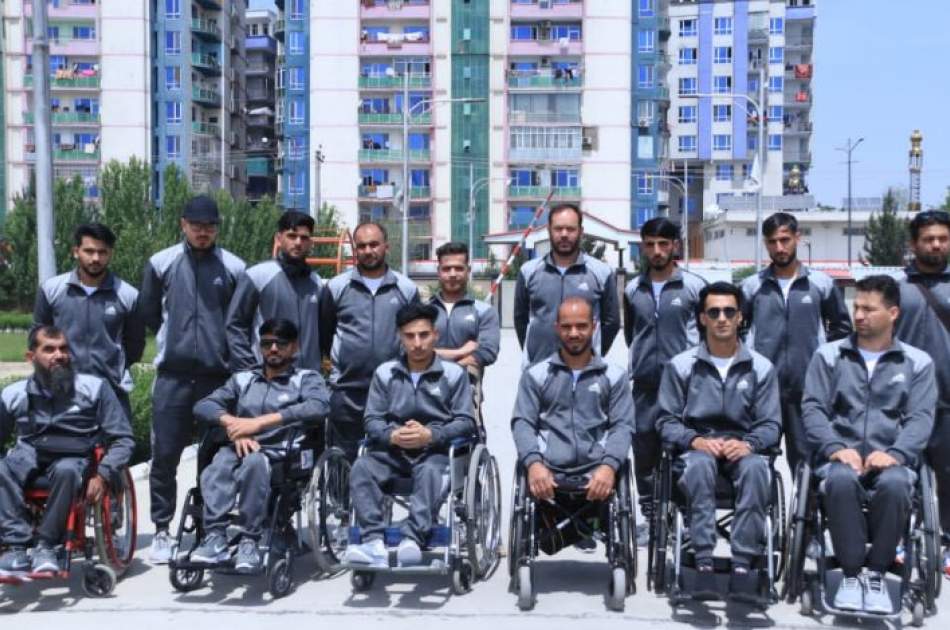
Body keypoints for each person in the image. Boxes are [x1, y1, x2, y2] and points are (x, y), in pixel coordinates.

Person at [802, 275, 935, 614]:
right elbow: (813, 407)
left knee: (896, 484)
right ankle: (849, 575)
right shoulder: (829, 355)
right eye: (856, 307)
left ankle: (875, 574)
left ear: (893, 313)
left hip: (892, 461)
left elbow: (921, 417)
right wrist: (834, 446)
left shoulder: (917, 362)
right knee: (840, 479)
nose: (858, 315)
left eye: (868, 309)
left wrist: (896, 454)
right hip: (838, 458)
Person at [656, 282, 781, 601]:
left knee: (756, 471)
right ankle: (704, 562)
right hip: (698, 451)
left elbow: (771, 424)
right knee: (699, 468)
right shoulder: (681, 366)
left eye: (729, 311)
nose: (722, 318)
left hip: (744, 450)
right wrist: (694, 440)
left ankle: (742, 565)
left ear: (741, 317)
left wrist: (750, 444)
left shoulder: (761, 368)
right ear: (702, 319)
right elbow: (666, 421)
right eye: (714, 312)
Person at [140, 195, 246, 564]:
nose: (203, 232)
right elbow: (149, 313)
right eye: (197, 225)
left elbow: (240, 321)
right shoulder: (161, 263)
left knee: (214, 458)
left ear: (218, 227)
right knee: (164, 456)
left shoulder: (233, 267)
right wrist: (176, 343)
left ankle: (208, 528)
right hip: (172, 377)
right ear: (183, 224)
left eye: (210, 226)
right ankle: (163, 530)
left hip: (217, 379)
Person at [190, 319, 330, 572]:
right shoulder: (243, 379)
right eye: (267, 344)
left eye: (281, 344)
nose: (273, 349)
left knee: (255, 463)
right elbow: (204, 405)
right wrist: (235, 425)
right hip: (239, 446)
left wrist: (260, 423)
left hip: (280, 452)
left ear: (294, 347)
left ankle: (250, 540)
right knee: (217, 467)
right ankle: (215, 537)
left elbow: (318, 407)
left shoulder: (306, 379)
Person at [344, 303, 476, 567]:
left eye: (423, 335)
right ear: (400, 337)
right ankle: (372, 541)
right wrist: (392, 435)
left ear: (435, 335)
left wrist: (431, 434)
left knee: (429, 472)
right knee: (361, 466)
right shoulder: (385, 373)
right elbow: (371, 419)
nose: (417, 343)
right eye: (410, 336)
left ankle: (413, 538)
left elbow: (465, 421)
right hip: (394, 452)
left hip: (436, 453)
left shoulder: (453, 374)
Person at [0, 326, 133, 573]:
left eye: (63, 349)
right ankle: (16, 546)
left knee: (66, 470)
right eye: (49, 349)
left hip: (74, 457)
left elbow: (123, 439)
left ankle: (46, 545)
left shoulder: (94, 388)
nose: (59, 355)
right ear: (31, 357)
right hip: (29, 454)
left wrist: (103, 474)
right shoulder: (14, 394)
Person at [740, 212, 851, 477]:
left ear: (797, 238)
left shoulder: (820, 284)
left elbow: (842, 328)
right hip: (763, 391)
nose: (779, 248)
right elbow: (737, 330)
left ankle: (806, 517)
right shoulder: (752, 286)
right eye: (772, 242)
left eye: (785, 240)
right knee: (755, 461)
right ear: (765, 244)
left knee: (805, 462)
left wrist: (824, 366)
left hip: (807, 390)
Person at [511, 297, 634, 521]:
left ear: (594, 326)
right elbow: (522, 423)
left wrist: (609, 467)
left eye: (581, 326)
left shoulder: (614, 376)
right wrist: (534, 464)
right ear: (556, 328)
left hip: (597, 469)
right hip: (548, 468)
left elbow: (622, 426)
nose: (574, 333)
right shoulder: (536, 375)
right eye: (566, 326)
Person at [623, 217, 706, 544]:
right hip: (644, 385)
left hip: (684, 386)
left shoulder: (694, 287)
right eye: (650, 244)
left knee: (680, 451)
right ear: (643, 246)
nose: (656, 251)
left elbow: (705, 335)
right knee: (643, 449)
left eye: (663, 244)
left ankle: (682, 518)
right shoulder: (632, 288)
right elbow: (632, 334)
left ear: (675, 246)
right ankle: (651, 517)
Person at [319, 222, 419, 457]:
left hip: (392, 389)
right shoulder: (336, 287)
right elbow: (324, 334)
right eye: (361, 246)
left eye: (374, 244)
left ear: (386, 246)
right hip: (346, 390)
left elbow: (415, 337)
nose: (367, 250)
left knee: (388, 457)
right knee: (345, 459)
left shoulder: (406, 289)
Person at [33, 223, 146, 415]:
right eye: (89, 251)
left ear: (110, 254)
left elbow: (135, 344)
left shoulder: (128, 295)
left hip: (111, 394)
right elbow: (38, 337)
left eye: (102, 252)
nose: (96, 258)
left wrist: (112, 369)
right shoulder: (51, 290)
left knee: (118, 444)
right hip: (61, 392)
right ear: (76, 251)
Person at [894, 210, 950, 577]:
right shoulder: (896, 289)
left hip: (949, 401)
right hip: (904, 401)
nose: (936, 244)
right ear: (914, 244)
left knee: (948, 474)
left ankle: (945, 542)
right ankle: (900, 538)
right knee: (903, 474)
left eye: (943, 238)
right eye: (928, 238)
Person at [514, 203, 620, 366]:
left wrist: (592, 353)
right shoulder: (528, 271)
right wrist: (534, 354)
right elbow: (521, 320)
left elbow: (611, 323)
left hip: (585, 373)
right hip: (539, 371)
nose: (564, 234)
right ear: (549, 231)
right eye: (558, 229)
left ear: (581, 232)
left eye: (570, 229)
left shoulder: (601, 272)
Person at [227, 211, 323, 371]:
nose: (298, 242)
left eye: (304, 237)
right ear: (278, 238)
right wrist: (250, 371)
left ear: (310, 242)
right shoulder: (258, 276)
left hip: (307, 383)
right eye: (292, 236)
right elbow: (234, 325)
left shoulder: (317, 283)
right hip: (268, 380)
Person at [429, 241, 500, 414]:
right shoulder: (424, 311)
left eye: (459, 268)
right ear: (439, 272)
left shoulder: (484, 311)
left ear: (468, 271)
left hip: (467, 397)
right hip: (426, 395)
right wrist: (460, 352)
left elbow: (487, 352)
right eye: (447, 269)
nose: (453, 274)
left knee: (470, 440)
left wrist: (433, 355)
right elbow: (411, 351)